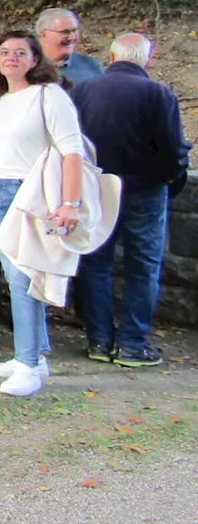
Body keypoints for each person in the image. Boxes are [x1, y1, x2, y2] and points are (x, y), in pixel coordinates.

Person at [73, 34, 191, 367]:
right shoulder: (157, 93)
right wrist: (173, 178)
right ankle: (131, 344)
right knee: (143, 266)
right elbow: (173, 147)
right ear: (147, 60)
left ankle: (98, 340)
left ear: (111, 56)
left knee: (96, 263)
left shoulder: (84, 90)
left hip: (97, 187)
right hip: (145, 189)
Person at [0, 31, 85, 395]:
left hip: (33, 194)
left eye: (20, 52)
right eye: (4, 52)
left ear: (36, 58)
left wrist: (69, 203)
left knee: (25, 280)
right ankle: (36, 355)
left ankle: (25, 364)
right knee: (14, 277)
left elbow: (72, 152)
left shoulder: (49, 96)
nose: (11, 58)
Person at [36, 8, 103, 85]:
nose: (72, 37)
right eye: (65, 32)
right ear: (44, 35)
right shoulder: (29, 68)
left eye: (74, 31)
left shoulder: (90, 65)